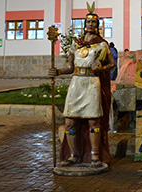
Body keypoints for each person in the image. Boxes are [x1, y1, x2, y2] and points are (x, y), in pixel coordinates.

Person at [48, 10, 115, 167]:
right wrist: (57, 72)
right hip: (76, 83)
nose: (90, 24)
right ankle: (74, 155)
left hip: (92, 83)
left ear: (97, 25)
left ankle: (95, 157)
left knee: (93, 121)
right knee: (70, 122)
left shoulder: (101, 44)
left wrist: (102, 67)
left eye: (93, 22)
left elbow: (112, 64)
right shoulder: (76, 44)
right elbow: (70, 67)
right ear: (84, 25)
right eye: (88, 22)